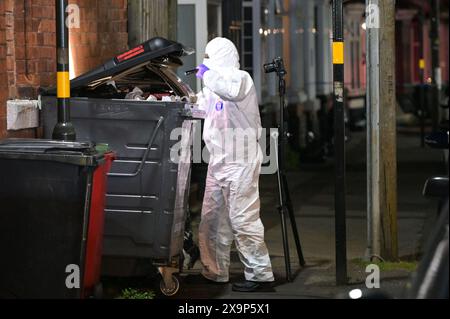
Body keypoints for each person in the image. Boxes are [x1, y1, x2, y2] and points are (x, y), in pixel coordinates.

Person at [195, 37, 275, 292]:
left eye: (209, 56)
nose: (204, 62)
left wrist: (207, 76)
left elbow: (228, 90)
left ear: (220, 56)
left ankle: (260, 274)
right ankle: (215, 271)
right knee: (212, 218)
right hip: (218, 160)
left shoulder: (241, 79)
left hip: (240, 160)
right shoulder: (211, 85)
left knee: (243, 218)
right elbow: (200, 107)